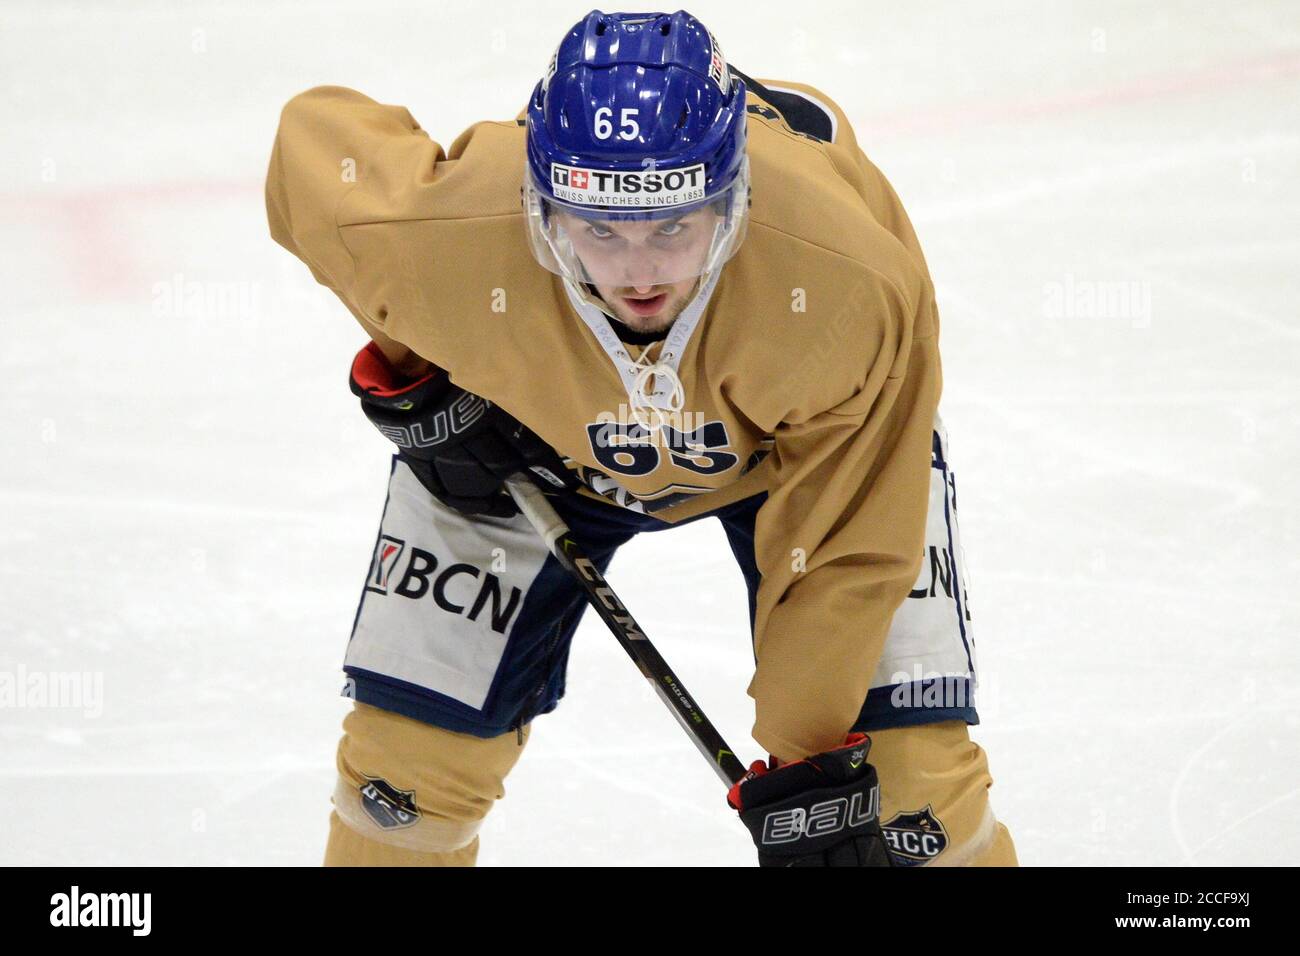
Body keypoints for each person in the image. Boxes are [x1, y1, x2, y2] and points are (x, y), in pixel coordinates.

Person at [266, 8, 1017, 867]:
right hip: (536, 441)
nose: (638, 272)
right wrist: (417, 369)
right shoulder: (452, 234)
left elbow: (847, 549)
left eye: (672, 226)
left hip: (797, 461)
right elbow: (311, 153)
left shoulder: (848, 287)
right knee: (400, 791)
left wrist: (811, 763)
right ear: (539, 205)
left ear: (731, 200)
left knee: (911, 804)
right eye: (599, 230)